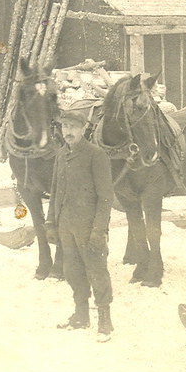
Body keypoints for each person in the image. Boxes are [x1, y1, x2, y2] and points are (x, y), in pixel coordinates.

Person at [44, 109, 115, 342]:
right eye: (65, 127)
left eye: (73, 127)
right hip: (66, 226)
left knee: (97, 272)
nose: (68, 132)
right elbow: (55, 192)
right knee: (72, 272)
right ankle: (81, 316)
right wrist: (51, 223)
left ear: (83, 129)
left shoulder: (96, 155)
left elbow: (106, 197)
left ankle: (105, 322)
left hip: (88, 227)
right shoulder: (61, 155)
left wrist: (98, 230)